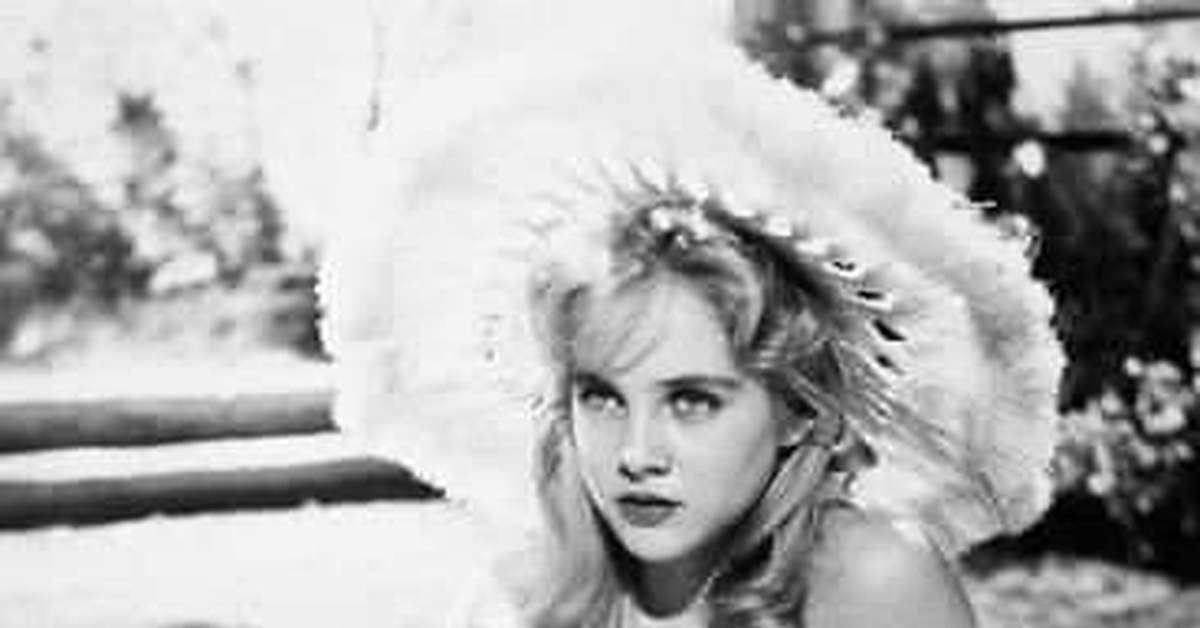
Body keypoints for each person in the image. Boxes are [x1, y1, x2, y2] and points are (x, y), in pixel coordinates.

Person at [318, 24, 1063, 628]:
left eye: (692, 401)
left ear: (799, 411)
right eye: (601, 396)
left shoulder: (871, 581)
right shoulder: (524, 597)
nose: (636, 455)